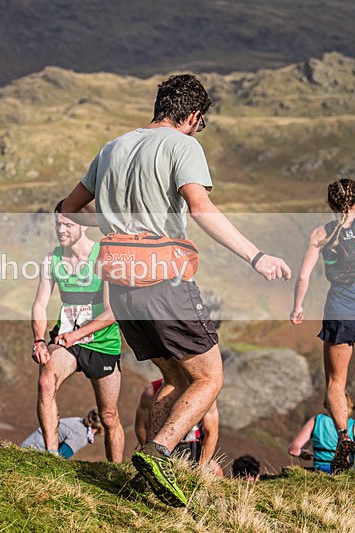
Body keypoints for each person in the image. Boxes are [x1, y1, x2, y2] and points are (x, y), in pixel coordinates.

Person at [61, 74, 291, 506]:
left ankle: (145, 471)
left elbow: (68, 208)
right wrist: (257, 256)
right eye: (200, 123)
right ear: (192, 116)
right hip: (162, 279)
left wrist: (116, 228)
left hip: (121, 284)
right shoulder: (183, 146)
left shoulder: (111, 148)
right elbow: (201, 208)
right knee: (209, 377)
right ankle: (160, 453)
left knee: (174, 376)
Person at [30, 204, 124, 461]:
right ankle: (50, 458)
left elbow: (112, 312)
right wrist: (39, 340)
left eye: (68, 224)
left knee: (108, 416)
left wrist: (78, 335)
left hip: (102, 342)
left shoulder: (104, 257)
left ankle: (115, 472)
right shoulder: (51, 259)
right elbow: (39, 304)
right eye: (58, 224)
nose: (61, 229)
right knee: (46, 382)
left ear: (83, 224)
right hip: (66, 339)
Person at [291, 179, 355, 472]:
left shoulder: (322, 233)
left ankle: (344, 437)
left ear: (328, 204)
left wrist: (298, 306)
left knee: (336, 383)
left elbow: (303, 276)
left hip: (340, 309)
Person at [135, 378, 223, 477]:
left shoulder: (206, 394)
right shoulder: (151, 392)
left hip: (192, 448)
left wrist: (201, 468)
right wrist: (149, 453)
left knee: (217, 472)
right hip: (159, 446)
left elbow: (212, 433)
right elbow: (141, 427)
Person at [288, 394, 355, 473]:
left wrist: (302, 453)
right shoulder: (353, 425)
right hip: (344, 474)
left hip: (320, 471)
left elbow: (293, 450)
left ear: (326, 404)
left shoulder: (316, 421)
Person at [21, 408, 103, 459]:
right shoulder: (81, 435)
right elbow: (61, 457)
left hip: (29, 447)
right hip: (34, 453)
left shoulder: (78, 422)